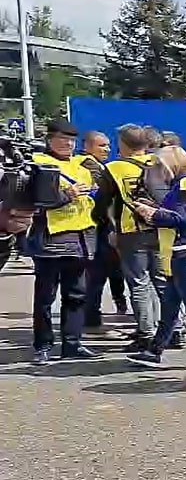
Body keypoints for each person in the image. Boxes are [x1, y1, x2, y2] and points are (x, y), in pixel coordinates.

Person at [126, 146, 186, 369]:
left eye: (159, 166)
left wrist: (152, 214)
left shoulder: (183, 186)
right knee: (170, 306)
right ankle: (154, 351)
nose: (158, 171)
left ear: (170, 165)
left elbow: (180, 219)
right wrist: (156, 210)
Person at [30, 119, 99, 365]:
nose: (68, 144)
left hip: (80, 239)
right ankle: (43, 345)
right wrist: (67, 195)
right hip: (51, 239)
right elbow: (38, 202)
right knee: (46, 297)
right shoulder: (39, 164)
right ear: (50, 140)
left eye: (71, 141)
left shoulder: (81, 167)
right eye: (62, 140)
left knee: (77, 295)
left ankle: (72, 344)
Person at [96, 124, 165, 353]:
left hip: (130, 231)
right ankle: (173, 328)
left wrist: (104, 225)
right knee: (163, 281)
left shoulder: (114, 168)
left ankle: (146, 333)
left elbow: (103, 203)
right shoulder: (160, 163)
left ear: (122, 144)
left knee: (139, 283)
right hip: (161, 228)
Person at [79, 130, 129, 332]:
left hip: (102, 226)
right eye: (101, 145)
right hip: (98, 227)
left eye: (108, 145)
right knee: (97, 274)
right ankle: (92, 316)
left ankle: (110, 307)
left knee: (110, 271)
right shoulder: (89, 167)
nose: (107, 149)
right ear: (87, 147)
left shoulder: (100, 167)